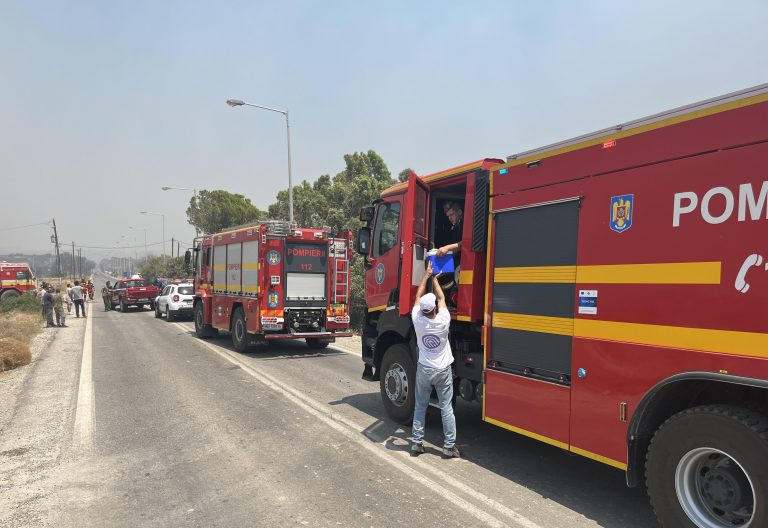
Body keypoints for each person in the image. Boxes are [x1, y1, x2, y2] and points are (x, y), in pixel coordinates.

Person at [410, 260, 460, 459]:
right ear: (435, 309)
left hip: (424, 369)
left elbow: (417, 296)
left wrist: (426, 275)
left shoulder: (417, 319)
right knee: (446, 407)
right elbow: (441, 298)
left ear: (422, 309)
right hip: (442, 370)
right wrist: (435, 278)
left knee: (420, 405)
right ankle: (448, 447)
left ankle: (416, 443)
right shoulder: (443, 320)